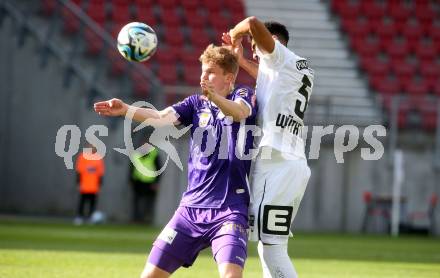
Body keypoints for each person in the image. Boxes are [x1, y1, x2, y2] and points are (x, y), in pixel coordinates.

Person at [93, 44, 256, 278]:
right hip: (190, 210)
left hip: (229, 210)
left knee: (231, 275)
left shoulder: (243, 95)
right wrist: (125, 109)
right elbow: (161, 118)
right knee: (149, 276)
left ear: (229, 77)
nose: (203, 76)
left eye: (210, 72)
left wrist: (215, 97)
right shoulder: (195, 104)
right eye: (202, 70)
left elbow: (238, 113)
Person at [223, 18, 314, 278]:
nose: (253, 51)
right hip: (291, 164)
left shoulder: (279, 57)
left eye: (255, 46)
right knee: (270, 246)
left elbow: (252, 22)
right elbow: (265, 75)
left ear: (272, 42)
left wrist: (235, 35)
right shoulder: (298, 67)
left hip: (276, 164)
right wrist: (240, 61)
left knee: (272, 249)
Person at [74, 143, 105, 225]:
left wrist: (100, 185)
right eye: (91, 146)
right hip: (85, 184)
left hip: (94, 185)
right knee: (82, 201)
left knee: (92, 203)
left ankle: (91, 217)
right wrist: (78, 183)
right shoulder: (82, 156)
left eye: (94, 147)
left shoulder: (98, 158)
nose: (92, 148)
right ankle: (79, 217)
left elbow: (100, 173)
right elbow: (79, 171)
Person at [129, 145, 161, 223]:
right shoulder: (136, 154)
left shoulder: (154, 154)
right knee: (137, 201)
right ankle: (137, 219)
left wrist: (156, 182)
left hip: (150, 182)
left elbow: (159, 169)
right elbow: (131, 168)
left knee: (148, 202)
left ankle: (146, 219)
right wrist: (131, 180)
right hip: (138, 181)